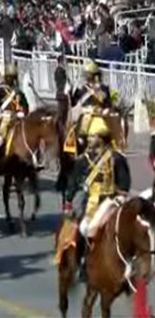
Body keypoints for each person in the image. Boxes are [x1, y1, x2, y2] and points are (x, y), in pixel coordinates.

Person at [62, 116, 131, 279]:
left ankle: (127, 263)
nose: (89, 139)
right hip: (91, 202)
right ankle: (82, 261)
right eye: (89, 136)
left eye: (93, 136)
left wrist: (120, 197)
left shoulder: (116, 158)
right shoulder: (84, 161)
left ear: (101, 138)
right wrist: (69, 200)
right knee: (82, 229)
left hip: (111, 201)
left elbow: (124, 183)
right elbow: (72, 181)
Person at [72, 60, 112, 146]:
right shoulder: (83, 89)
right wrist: (70, 92)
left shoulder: (102, 88)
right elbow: (74, 102)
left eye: (88, 74)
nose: (86, 76)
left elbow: (107, 102)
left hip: (99, 113)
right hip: (85, 113)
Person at [0, 64, 29, 148]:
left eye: (11, 77)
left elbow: (25, 108)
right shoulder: (1, 91)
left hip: (15, 118)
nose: (8, 79)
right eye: (7, 77)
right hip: (2, 118)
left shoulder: (18, 93)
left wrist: (18, 114)